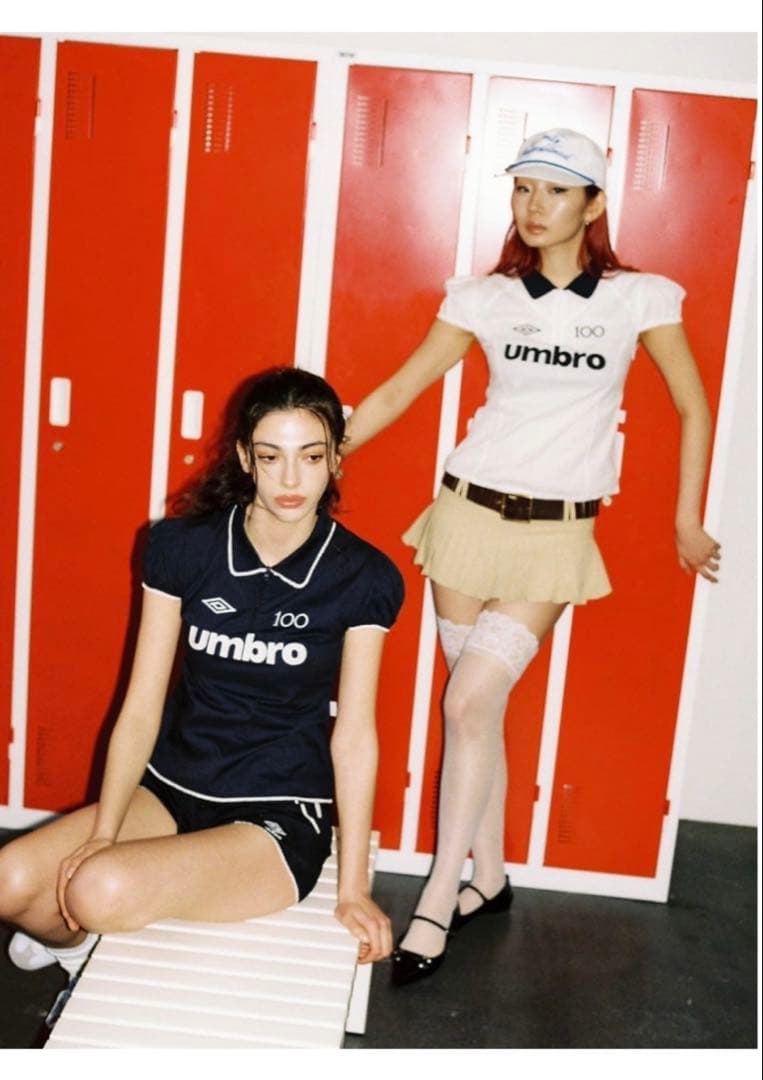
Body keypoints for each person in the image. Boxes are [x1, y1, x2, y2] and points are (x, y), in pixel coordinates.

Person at [342, 127, 721, 987]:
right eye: (522, 189)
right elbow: (401, 388)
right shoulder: (484, 298)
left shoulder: (638, 298)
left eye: (554, 190)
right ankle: (489, 877)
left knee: (468, 700)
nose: (533, 206)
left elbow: (692, 407)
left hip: (554, 535)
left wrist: (685, 520)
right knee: (475, 712)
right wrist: (312, 464)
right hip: (464, 518)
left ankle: (436, 899)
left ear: (593, 204)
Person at [0, 367, 404, 983]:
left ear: (335, 459)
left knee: (97, 889)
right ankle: (76, 952)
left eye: (310, 456)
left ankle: (91, 930)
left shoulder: (362, 576)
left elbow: (354, 736)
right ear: (244, 458)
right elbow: (141, 704)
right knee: (10, 879)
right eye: (270, 457)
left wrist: (353, 888)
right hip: (170, 786)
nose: (290, 480)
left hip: (274, 811)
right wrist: (104, 831)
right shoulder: (183, 548)